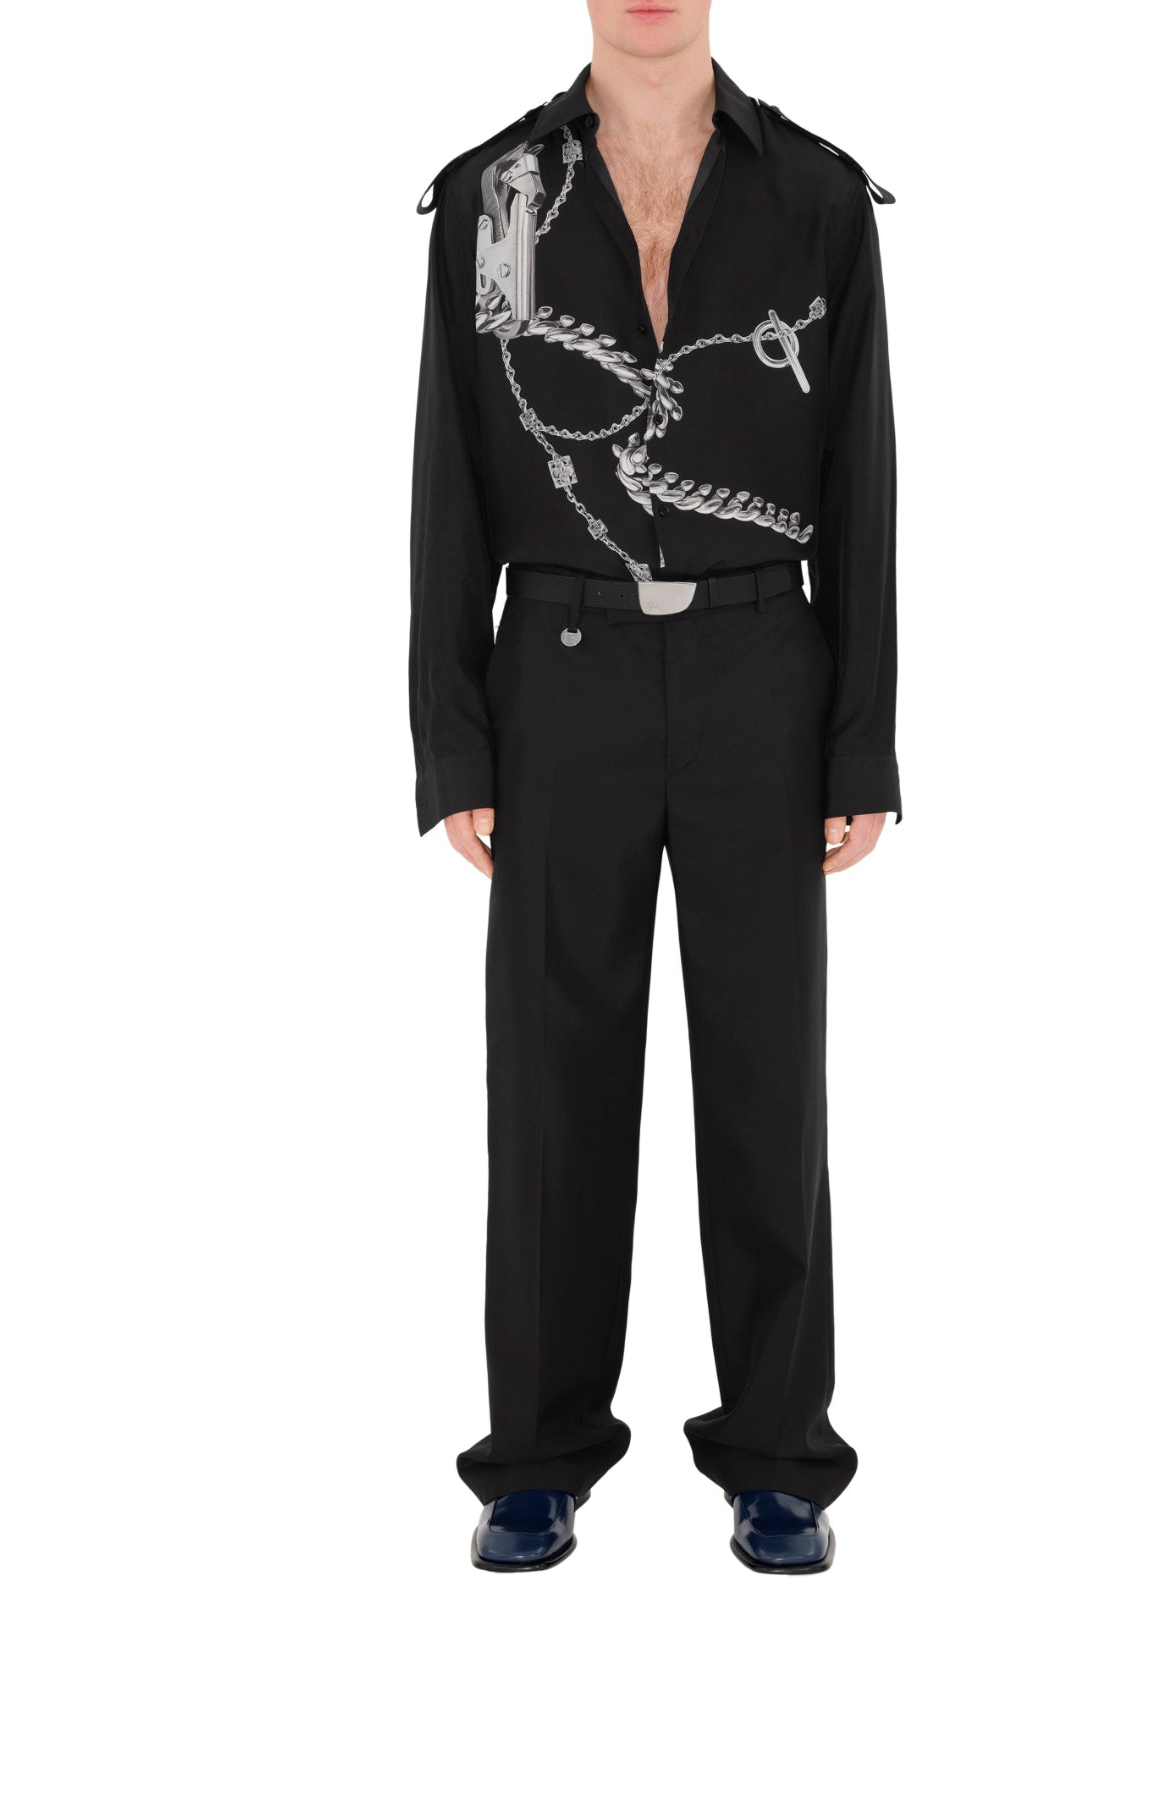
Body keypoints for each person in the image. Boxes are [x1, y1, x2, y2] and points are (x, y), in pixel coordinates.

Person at [409, 0, 900, 1574]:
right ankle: (537, 1455)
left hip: (766, 672)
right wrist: (455, 739)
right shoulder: (493, 198)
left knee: (768, 1074)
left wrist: (862, 740)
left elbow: (863, 477)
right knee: (553, 1080)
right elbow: (449, 472)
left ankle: (780, 1453)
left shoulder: (816, 195)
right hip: (562, 676)